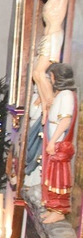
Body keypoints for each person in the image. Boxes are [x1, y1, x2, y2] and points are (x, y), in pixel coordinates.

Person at [31, 0, 82, 117]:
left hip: (54, 36)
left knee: (38, 73)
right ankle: (47, 105)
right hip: (48, 38)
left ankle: (50, 102)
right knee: (37, 75)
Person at [40, 62, 78, 223]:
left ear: (56, 77)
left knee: (58, 177)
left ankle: (59, 210)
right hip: (53, 139)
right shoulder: (61, 95)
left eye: (51, 77)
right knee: (51, 175)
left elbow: (65, 121)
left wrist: (53, 141)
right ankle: (52, 207)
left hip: (58, 142)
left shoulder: (67, 95)